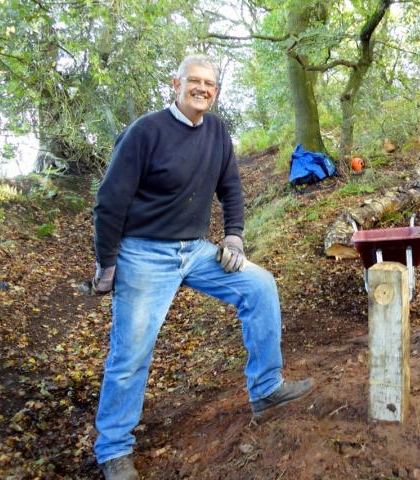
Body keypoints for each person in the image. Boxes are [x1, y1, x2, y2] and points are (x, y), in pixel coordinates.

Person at [90, 54, 315, 480]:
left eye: (210, 84)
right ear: (176, 83)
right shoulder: (146, 132)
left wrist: (233, 236)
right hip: (144, 252)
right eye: (194, 80)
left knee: (260, 286)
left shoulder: (216, 132)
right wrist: (107, 263)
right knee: (132, 350)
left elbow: (231, 187)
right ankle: (114, 449)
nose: (202, 89)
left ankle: (267, 389)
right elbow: (109, 202)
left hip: (193, 250)